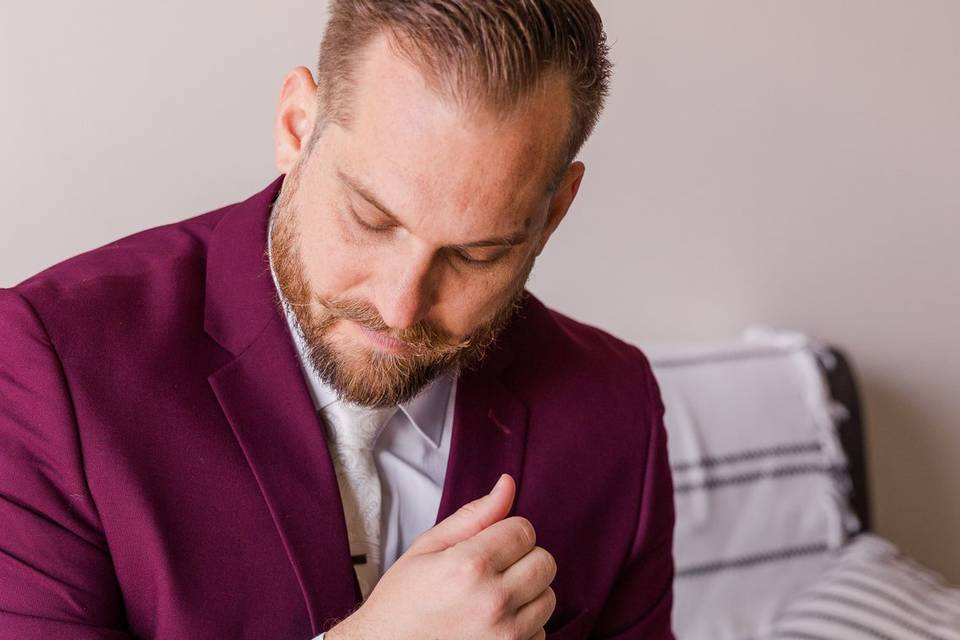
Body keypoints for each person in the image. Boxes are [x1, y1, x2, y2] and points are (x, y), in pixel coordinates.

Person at [0, 1, 676, 638]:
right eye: (371, 219)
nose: (399, 304)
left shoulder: (616, 409)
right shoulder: (43, 365)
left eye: (476, 253)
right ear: (297, 125)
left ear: (554, 213)